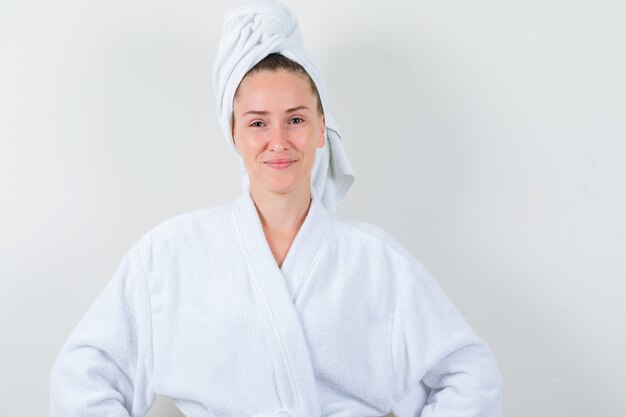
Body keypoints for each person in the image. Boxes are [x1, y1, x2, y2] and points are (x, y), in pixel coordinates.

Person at [49, 1, 502, 416]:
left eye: (297, 119)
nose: (279, 142)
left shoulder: (374, 260)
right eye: (258, 123)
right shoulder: (171, 254)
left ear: (323, 128)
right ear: (233, 133)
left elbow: (470, 373)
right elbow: (82, 377)